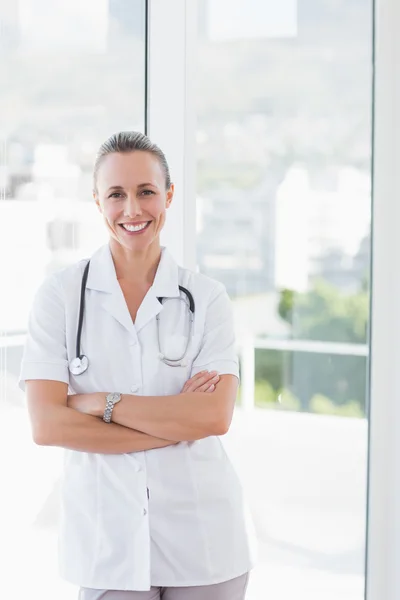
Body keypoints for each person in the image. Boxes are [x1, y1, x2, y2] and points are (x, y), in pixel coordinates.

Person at [19, 131, 256, 599]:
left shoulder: (206, 298)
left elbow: (213, 417)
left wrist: (100, 403)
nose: (132, 209)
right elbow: (47, 425)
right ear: (97, 202)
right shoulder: (60, 297)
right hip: (110, 543)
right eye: (116, 194)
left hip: (205, 539)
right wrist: (175, 424)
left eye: (146, 191)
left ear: (168, 195)